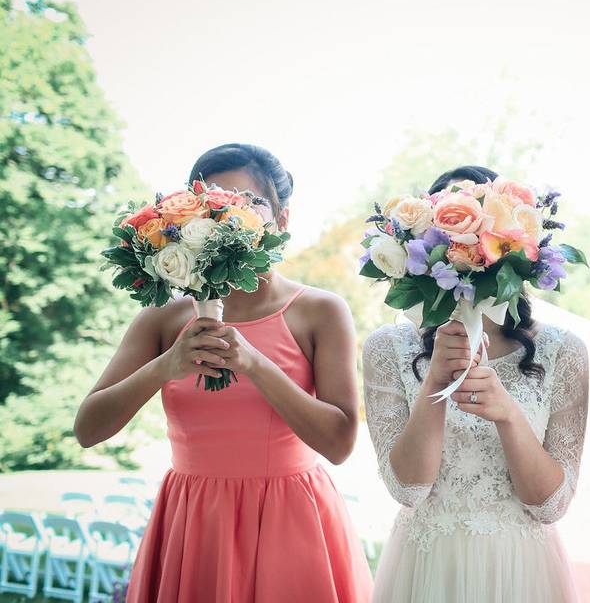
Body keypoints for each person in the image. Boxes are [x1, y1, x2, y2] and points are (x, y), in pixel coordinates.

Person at [74, 143, 372, 602]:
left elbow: (339, 444)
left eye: (249, 204)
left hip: (290, 521)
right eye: (216, 205)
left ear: (282, 219)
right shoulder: (162, 319)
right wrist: (166, 365)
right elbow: (88, 429)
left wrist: (255, 363)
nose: (232, 218)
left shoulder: (320, 311)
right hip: (194, 522)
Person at [363, 166, 588, 602]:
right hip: (427, 568)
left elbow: (550, 506)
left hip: (520, 570)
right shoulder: (388, 348)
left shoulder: (563, 351)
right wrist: (435, 382)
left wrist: (508, 415)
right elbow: (408, 489)